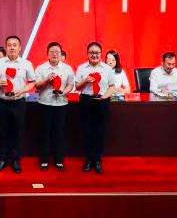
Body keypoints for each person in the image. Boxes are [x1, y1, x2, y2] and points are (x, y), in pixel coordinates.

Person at [0, 35, 35, 174]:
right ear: (6, 47)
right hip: (2, 102)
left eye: (14, 45)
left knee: (17, 131)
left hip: (18, 102)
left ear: (20, 47)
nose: (12, 47)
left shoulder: (26, 64)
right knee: (3, 131)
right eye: (9, 45)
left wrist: (22, 90)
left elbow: (32, 82)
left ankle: (15, 160)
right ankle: (2, 159)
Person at [75, 42, 117, 174]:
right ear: (87, 54)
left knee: (100, 131)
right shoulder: (82, 68)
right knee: (87, 130)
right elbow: (77, 87)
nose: (94, 55)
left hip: (102, 100)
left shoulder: (107, 69)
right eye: (92, 53)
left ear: (101, 54)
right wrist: (85, 80)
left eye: (97, 53)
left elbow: (112, 86)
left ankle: (97, 160)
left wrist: (105, 97)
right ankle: (88, 160)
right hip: (86, 100)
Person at [34, 42, 74, 171]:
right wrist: (47, 79)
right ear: (47, 54)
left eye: (57, 51)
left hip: (61, 104)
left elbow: (70, 84)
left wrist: (64, 92)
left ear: (61, 53)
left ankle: (58, 159)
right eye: (52, 51)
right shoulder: (41, 68)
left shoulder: (67, 68)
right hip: (45, 104)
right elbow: (37, 86)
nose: (55, 54)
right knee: (44, 132)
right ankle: (44, 160)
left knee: (59, 132)